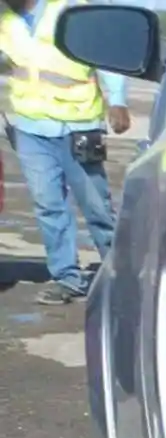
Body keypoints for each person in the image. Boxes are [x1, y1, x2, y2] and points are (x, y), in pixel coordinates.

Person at [0, 0, 132, 305]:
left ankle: (120, 274)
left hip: (79, 126)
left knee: (96, 206)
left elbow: (106, 55)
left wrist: (118, 100)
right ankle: (67, 278)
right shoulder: (5, 16)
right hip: (30, 127)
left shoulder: (73, 8)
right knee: (48, 205)